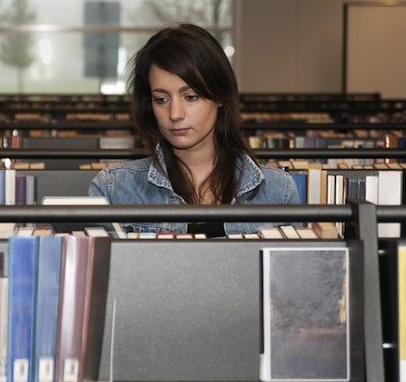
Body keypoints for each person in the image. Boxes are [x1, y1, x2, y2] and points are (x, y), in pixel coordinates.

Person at [89, 23, 298, 236]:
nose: (175, 114)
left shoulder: (278, 191)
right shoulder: (114, 189)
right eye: (161, 99)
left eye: (191, 97)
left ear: (219, 96)